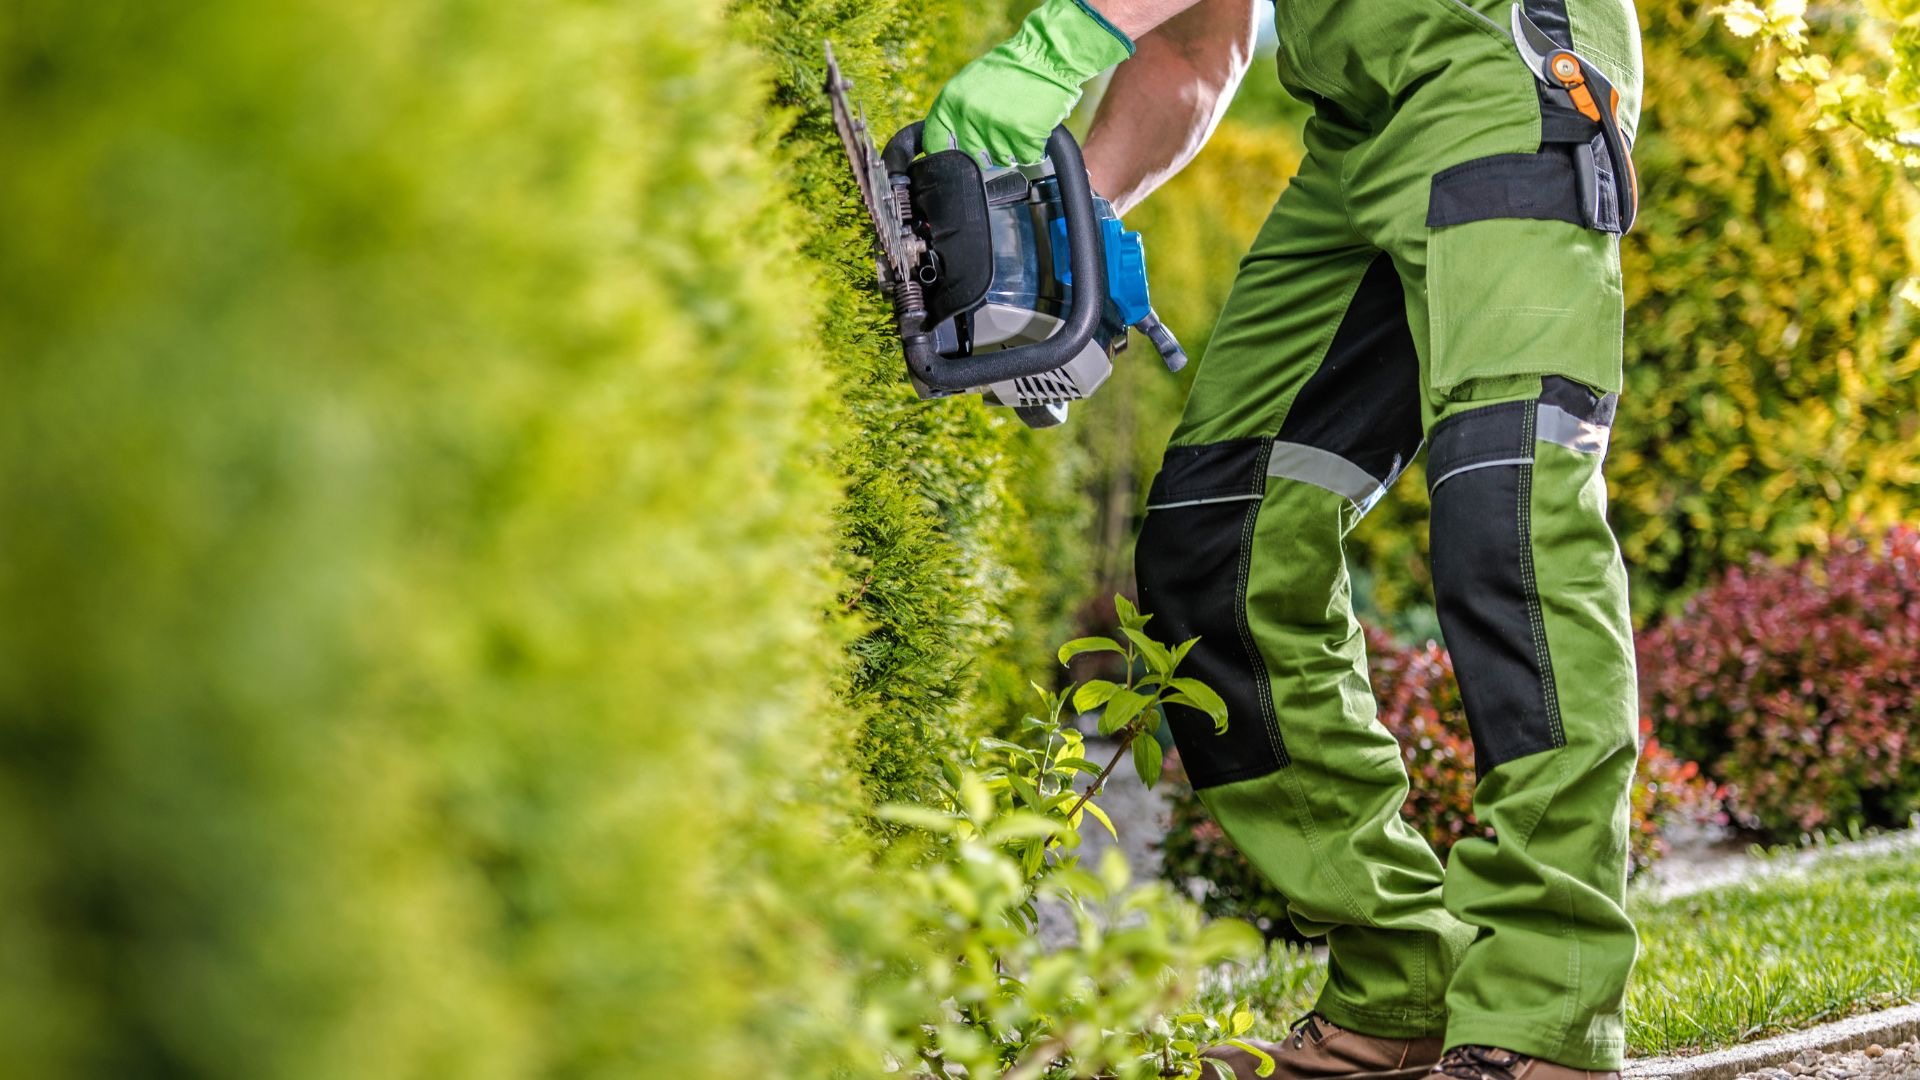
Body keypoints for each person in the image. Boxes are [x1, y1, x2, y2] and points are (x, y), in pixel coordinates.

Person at [924, 1, 1645, 1078]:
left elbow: (1124, 34)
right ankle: (1402, 976)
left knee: (1510, 509)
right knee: (1215, 545)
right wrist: (1059, 225)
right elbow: (1192, 53)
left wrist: (1054, 46)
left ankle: (1549, 1011)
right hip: (1360, 136)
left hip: (1506, 72)